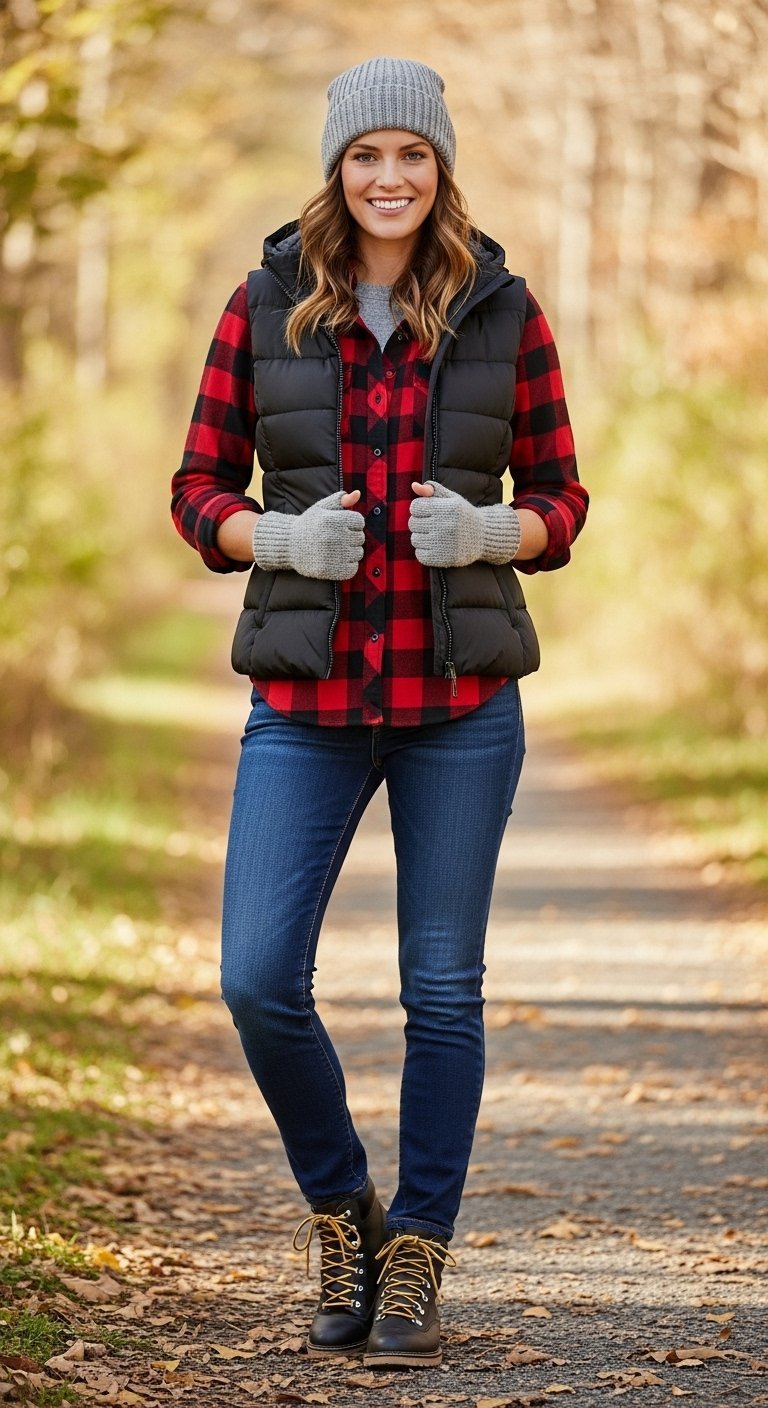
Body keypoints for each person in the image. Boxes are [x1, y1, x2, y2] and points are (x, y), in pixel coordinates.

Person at [171, 55, 588, 1369]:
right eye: (367, 156)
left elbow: (568, 498)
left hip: (459, 705)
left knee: (442, 990)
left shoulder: (503, 308)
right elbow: (194, 486)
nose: (391, 177)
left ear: (441, 167)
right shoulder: (265, 302)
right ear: (337, 169)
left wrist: (501, 527)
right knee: (255, 977)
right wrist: (273, 542)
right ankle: (340, 1204)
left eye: (413, 155)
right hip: (306, 700)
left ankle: (416, 1251)